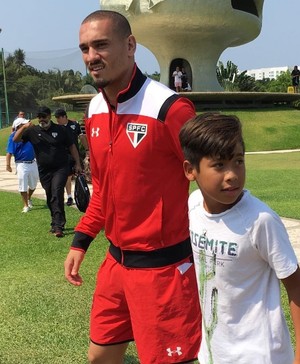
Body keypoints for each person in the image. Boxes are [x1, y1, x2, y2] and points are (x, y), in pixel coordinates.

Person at [64, 10, 201, 364]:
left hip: (164, 272)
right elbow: (104, 188)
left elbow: (215, 177)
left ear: (130, 45)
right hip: (115, 266)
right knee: (99, 358)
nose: (91, 56)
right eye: (84, 48)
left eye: (101, 45)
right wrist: (81, 240)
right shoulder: (94, 110)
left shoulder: (169, 108)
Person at [179, 112, 300, 364]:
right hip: (215, 352)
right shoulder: (193, 206)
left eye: (238, 161)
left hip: (261, 355)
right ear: (191, 170)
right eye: (219, 165)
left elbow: (296, 286)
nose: (232, 174)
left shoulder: (260, 221)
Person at [13, 106, 82, 238]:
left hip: (61, 168)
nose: (41, 119)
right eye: (39, 117)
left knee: (56, 192)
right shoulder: (33, 131)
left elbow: (72, 146)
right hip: (44, 170)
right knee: (50, 195)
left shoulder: (60, 129)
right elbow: (16, 139)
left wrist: (77, 163)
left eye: (44, 116)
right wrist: (24, 127)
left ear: (49, 116)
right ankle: (54, 221)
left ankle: (58, 225)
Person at [6, 117, 39, 213]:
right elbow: (9, 152)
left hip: (33, 162)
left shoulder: (30, 134)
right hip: (21, 164)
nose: (27, 125)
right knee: (23, 184)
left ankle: (29, 198)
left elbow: (33, 126)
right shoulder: (13, 137)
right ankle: (26, 205)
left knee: (33, 185)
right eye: (23, 124)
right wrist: (8, 165)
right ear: (19, 126)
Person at [54, 108, 86, 206]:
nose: (57, 120)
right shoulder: (56, 128)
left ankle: (82, 194)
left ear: (64, 116)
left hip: (75, 155)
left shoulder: (74, 125)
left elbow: (81, 137)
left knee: (80, 174)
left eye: (58, 118)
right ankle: (69, 196)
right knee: (67, 176)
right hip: (64, 155)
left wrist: (87, 150)